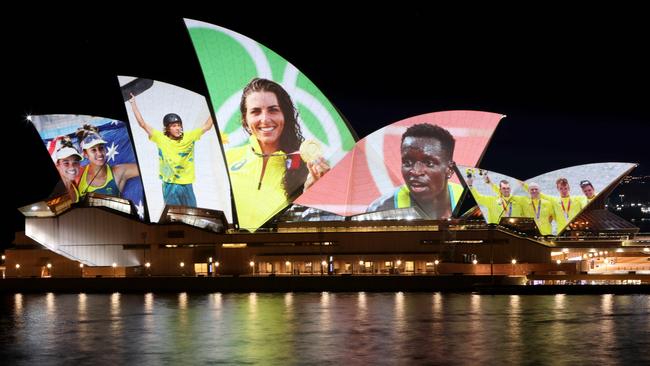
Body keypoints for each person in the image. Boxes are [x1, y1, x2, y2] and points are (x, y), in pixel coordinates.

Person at [226, 78, 329, 229]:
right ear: (245, 120)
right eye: (255, 112)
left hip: (278, 249)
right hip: (229, 248)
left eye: (273, 110)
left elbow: (309, 225)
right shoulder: (227, 159)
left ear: (285, 116)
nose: (265, 119)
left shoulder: (307, 167)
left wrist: (311, 195)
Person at [129, 93, 213, 207]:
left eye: (179, 125)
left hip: (187, 184)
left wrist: (213, 104)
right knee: (174, 215)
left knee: (193, 214)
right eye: (173, 126)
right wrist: (133, 104)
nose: (178, 128)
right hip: (170, 185)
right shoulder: (161, 138)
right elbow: (142, 124)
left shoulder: (190, 136)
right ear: (167, 129)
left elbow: (207, 126)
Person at [366, 123, 463, 219]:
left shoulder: (472, 204)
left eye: (429, 163)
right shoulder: (380, 212)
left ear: (449, 169)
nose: (415, 171)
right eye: (407, 162)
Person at [76, 124, 140, 199]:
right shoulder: (78, 175)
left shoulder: (118, 172)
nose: (99, 153)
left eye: (101, 148)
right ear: (85, 154)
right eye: (93, 150)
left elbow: (147, 167)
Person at [52, 136, 83, 203]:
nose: (72, 167)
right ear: (58, 165)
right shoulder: (55, 193)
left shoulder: (74, 185)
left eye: (75, 162)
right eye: (66, 163)